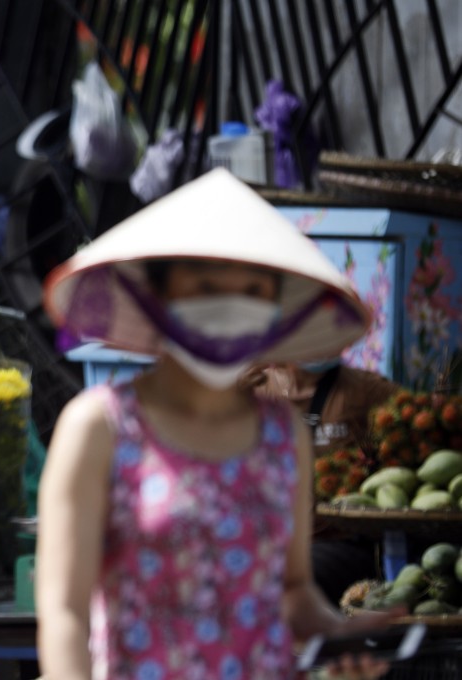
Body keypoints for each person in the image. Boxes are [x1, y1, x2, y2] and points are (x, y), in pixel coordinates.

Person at [36, 169, 397, 679]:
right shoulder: (99, 428)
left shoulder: (283, 436)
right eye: (206, 285)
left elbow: (293, 590)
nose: (231, 305)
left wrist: (341, 636)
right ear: (160, 295)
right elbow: (64, 612)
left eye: (253, 290)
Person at [245, 360, 399, 606]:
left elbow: (423, 417)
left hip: (338, 542)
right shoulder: (251, 388)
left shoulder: (364, 390)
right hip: (265, 541)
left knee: (277, 583)